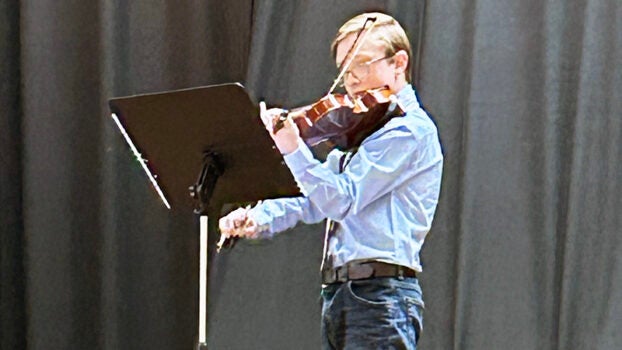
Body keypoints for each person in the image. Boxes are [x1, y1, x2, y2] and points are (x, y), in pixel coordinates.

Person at [219, 12, 443, 349]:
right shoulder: (363, 131)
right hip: (346, 295)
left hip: (380, 297)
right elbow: (314, 198)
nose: (351, 80)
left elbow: (342, 199)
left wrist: (293, 147)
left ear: (399, 63)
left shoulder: (409, 130)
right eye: (345, 70)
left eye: (361, 65)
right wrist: (258, 216)